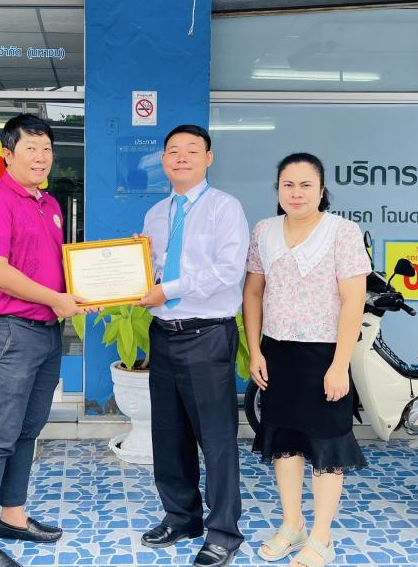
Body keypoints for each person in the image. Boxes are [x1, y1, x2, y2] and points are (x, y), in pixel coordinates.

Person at [0, 114, 84, 567]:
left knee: (27, 430)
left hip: (46, 331)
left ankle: (12, 515)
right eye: (30, 148)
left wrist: (81, 293)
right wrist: (56, 299)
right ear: (7, 155)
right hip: (9, 333)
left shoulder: (48, 203)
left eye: (46, 148)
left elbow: (51, 267)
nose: (40, 157)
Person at [242, 152, 370, 567]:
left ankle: (321, 537)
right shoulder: (264, 231)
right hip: (277, 353)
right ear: (278, 189)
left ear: (321, 190)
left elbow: (353, 301)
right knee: (285, 444)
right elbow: (253, 293)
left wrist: (339, 365)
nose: (296, 193)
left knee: (326, 446)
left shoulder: (342, 232)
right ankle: (292, 525)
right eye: (288, 185)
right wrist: (255, 350)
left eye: (305, 185)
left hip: (324, 355)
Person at [137, 124, 249, 567]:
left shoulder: (225, 208)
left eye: (191, 150)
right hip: (164, 334)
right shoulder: (155, 214)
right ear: (163, 160)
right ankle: (181, 516)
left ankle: (223, 531)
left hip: (207, 335)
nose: (181, 157)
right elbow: (153, 271)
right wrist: (136, 268)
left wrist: (167, 289)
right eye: (173, 151)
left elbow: (228, 271)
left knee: (216, 438)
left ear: (208, 158)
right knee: (168, 434)